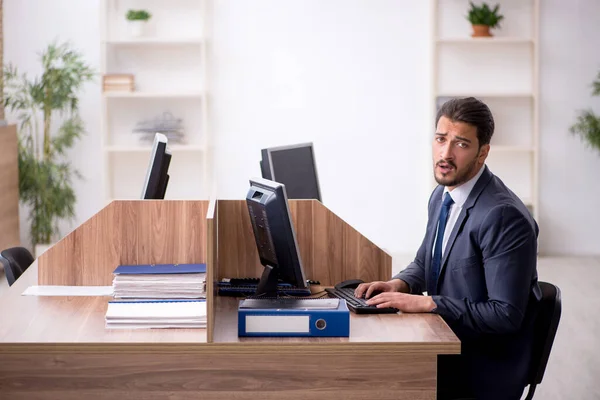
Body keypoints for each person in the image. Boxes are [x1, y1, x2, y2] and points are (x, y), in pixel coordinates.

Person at [355, 97, 542, 400]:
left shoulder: (503, 216)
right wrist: (398, 284)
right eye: (441, 139)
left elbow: (505, 315)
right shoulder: (442, 195)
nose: (445, 153)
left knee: (376, 377)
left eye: (461, 144)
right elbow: (427, 261)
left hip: (483, 361)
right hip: (446, 338)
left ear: (483, 153)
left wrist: (429, 303)